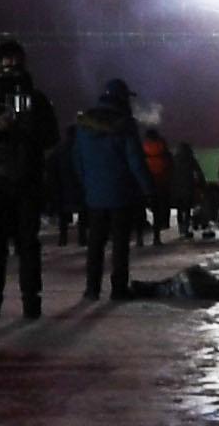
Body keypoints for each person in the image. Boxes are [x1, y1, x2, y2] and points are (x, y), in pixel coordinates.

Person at [0, 38, 59, 320]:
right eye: (8, 61)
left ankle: (31, 301)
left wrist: (28, 127)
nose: (13, 67)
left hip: (26, 180)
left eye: (17, 61)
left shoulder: (37, 99)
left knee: (27, 244)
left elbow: (50, 136)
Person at [66, 77, 152, 299]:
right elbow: (135, 161)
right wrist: (148, 188)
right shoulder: (125, 125)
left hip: (95, 196)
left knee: (95, 243)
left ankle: (92, 288)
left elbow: (77, 159)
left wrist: (87, 184)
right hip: (121, 195)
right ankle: (118, 289)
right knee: (120, 245)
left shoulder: (84, 124)